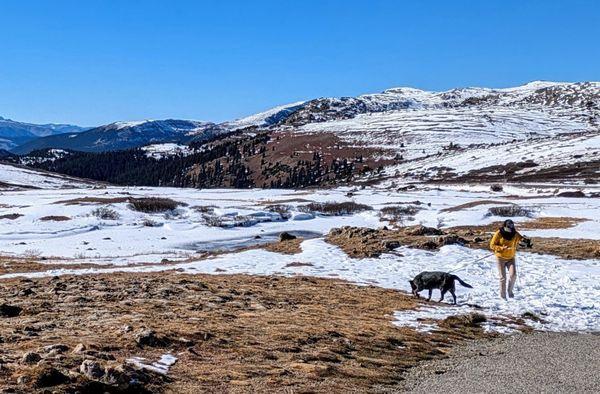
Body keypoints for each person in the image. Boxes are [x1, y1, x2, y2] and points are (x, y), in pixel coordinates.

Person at [489, 219, 532, 300]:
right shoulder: (499, 233)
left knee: (513, 275)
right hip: (500, 257)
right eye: (509, 228)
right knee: (503, 277)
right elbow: (492, 245)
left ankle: (510, 291)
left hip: (510, 258)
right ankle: (503, 296)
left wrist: (526, 242)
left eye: (512, 227)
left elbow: (521, 239)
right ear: (505, 226)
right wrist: (501, 248)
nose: (510, 230)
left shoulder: (514, 233)